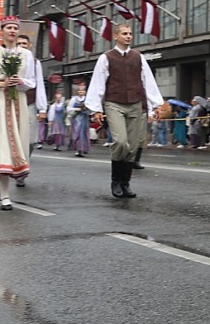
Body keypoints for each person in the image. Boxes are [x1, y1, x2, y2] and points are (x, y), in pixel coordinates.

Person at [86, 23, 164, 199]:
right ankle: (115, 181)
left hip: (136, 103)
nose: (128, 36)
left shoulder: (138, 57)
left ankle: (125, 183)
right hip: (114, 103)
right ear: (115, 36)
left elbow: (148, 81)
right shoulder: (106, 58)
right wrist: (96, 108)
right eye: (124, 33)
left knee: (133, 145)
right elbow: (98, 83)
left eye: (130, 33)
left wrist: (156, 104)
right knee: (121, 141)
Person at [0, 15, 35, 210]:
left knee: (16, 144)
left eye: (15, 28)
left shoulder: (26, 55)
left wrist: (20, 82)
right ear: (2, 31)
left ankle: (8, 185)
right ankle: (5, 192)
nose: (12, 31)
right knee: (1, 143)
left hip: (17, 100)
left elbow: (31, 81)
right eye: (8, 27)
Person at [15, 34, 48, 186]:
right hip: (12, 103)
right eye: (19, 43)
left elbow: (40, 84)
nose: (22, 45)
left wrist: (42, 108)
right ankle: (17, 169)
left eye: (24, 43)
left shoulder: (35, 62)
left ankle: (23, 165)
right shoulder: (9, 60)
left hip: (29, 103)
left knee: (31, 141)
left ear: (29, 45)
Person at [68, 83, 91, 157]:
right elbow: (69, 108)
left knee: (84, 134)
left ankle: (83, 148)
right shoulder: (74, 99)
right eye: (79, 90)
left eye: (83, 90)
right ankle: (78, 149)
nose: (81, 92)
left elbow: (91, 110)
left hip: (84, 119)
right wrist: (76, 109)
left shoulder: (87, 99)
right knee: (77, 133)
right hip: (76, 119)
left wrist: (86, 110)